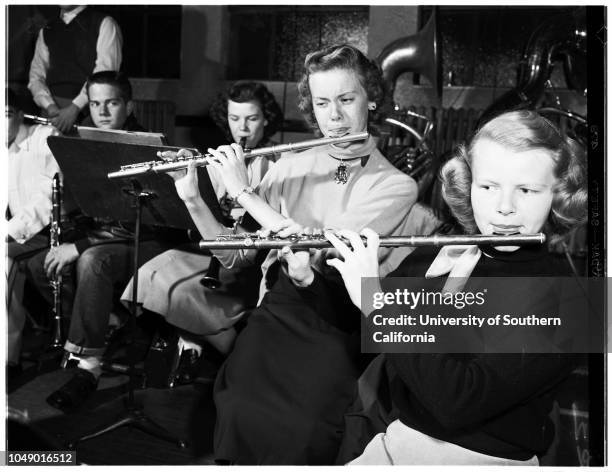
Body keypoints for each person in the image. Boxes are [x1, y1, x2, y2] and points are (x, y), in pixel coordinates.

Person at [166, 44, 425, 464]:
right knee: (241, 410)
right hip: (280, 310)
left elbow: (323, 250)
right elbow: (237, 257)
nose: (334, 117)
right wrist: (193, 197)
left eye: (346, 99)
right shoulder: (290, 164)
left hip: (340, 320)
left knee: (303, 430)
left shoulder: (396, 186)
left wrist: (243, 191)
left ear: (372, 99)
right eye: (322, 103)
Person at [315, 110, 587, 465]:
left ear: (558, 194)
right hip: (397, 442)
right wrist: (312, 275)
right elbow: (362, 331)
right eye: (488, 187)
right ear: (468, 185)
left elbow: (456, 400)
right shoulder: (452, 256)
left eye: (527, 190)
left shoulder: (567, 302)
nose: (504, 208)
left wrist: (377, 301)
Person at [25, 71, 185, 411]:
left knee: (91, 261)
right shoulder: (86, 142)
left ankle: (88, 367)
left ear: (128, 105)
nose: (102, 111)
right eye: (95, 104)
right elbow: (87, 206)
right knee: (40, 264)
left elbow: (151, 221)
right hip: (107, 239)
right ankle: (109, 320)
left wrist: (80, 246)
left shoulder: (149, 144)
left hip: (150, 240)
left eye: (111, 103)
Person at [120, 81, 284, 384]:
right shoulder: (220, 159)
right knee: (146, 277)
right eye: (235, 119)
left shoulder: (278, 165)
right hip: (209, 250)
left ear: (266, 119)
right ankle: (201, 347)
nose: (243, 129)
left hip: (248, 259)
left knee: (182, 293)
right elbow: (195, 211)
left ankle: (228, 359)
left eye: (252, 119)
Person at [6, 88, 60, 378]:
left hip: (52, 231)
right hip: (18, 234)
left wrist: (8, 232)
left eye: (5, 115)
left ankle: (8, 359)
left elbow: (48, 198)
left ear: (18, 114)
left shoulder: (44, 138)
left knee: (3, 259)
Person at [28, 5, 122, 133]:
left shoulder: (104, 23)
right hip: (51, 115)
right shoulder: (47, 29)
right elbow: (36, 76)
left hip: (90, 113)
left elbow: (104, 75)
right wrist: (50, 106)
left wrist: (74, 108)